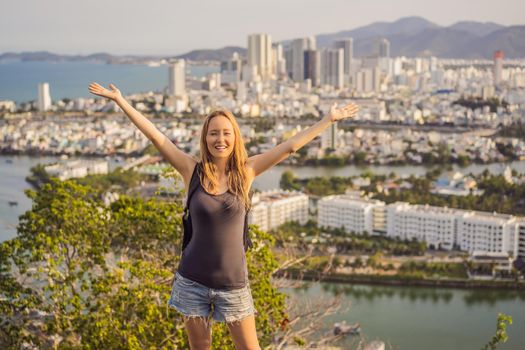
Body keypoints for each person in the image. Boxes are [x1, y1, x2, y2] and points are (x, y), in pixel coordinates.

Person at [88, 82, 358, 350]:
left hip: (233, 285)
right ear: (205, 138)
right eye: (214, 133)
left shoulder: (247, 171)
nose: (220, 139)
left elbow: (289, 147)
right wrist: (120, 101)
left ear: (235, 137)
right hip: (191, 280)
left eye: (226, 133)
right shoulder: (191, 170)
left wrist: (328, 119)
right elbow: (156, 137)